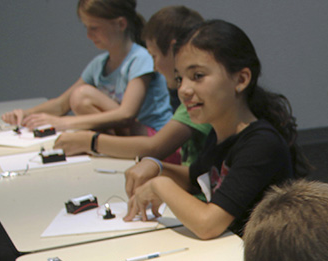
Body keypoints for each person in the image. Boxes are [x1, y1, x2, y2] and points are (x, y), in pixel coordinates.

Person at [122, 19, 306, 238]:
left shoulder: (261, 144)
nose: (184, 90)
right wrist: (156, 166)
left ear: (241, 79)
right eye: (180, 78)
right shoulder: (218, 132)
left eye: (197, 76)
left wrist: (159, 185)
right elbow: (195, 177)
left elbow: (208, 224)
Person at [55, 5, 209, 166]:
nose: (154, 67)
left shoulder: (196, 98)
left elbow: (154, 147)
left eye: (154, 56)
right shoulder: (100, 63)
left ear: (173, 49)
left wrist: (91, 141)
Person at [2, 0, 172, 135]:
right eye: (87, 27)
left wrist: (63, 123)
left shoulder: (141, 58)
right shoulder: (99, 64)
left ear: (120, 24)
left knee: (82, 96)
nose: (89, 35)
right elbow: (61, 104)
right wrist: (26, 114)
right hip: (129, 134)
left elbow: (126, 114)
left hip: (154, 137)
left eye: (94, 28)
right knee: (79, 97)